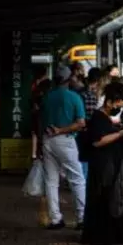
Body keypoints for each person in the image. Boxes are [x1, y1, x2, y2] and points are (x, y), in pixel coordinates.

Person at [80, 82, 123, 245]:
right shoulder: (98, 118)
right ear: (109, 102)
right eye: (117, 104)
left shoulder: (104, 118)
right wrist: (120, 134)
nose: (119, 107)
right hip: (102, 168)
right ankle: (101, 236)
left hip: (106, 166)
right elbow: (97, 141)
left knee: (105, 199)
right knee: (102, 200)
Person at [40, 65, 87, 230]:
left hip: (47, 139)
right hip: (66, 140)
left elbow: (40, 120)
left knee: (51, 181)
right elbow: (80, 123)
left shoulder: (47, 97)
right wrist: (61, 130)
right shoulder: (74, 97)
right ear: (68, 80)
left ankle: (55, 219)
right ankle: (82, 218)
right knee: (77, 179)